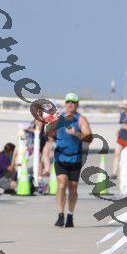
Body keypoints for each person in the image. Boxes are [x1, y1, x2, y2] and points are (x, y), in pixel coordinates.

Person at [45, 92, 92, 227]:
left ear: (77, 104)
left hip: (75, 158)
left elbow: (89, 138)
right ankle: (60, 215)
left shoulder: (81, 119)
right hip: (60, 157)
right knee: (61, 185)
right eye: (68, 102)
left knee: (73, 188)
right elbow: (50, 133)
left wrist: (76, 133)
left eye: (73, 102)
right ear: (65, 103)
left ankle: (70, 215)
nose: (70, 104)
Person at [112, 103, 127, 180]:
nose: (123, 109)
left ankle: (124, 173)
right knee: (117, 154)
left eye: (124, 107)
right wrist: (118, 130)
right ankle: (114, 173)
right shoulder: (122, 114)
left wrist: (124, 126)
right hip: (121, 137)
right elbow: (121, 124)